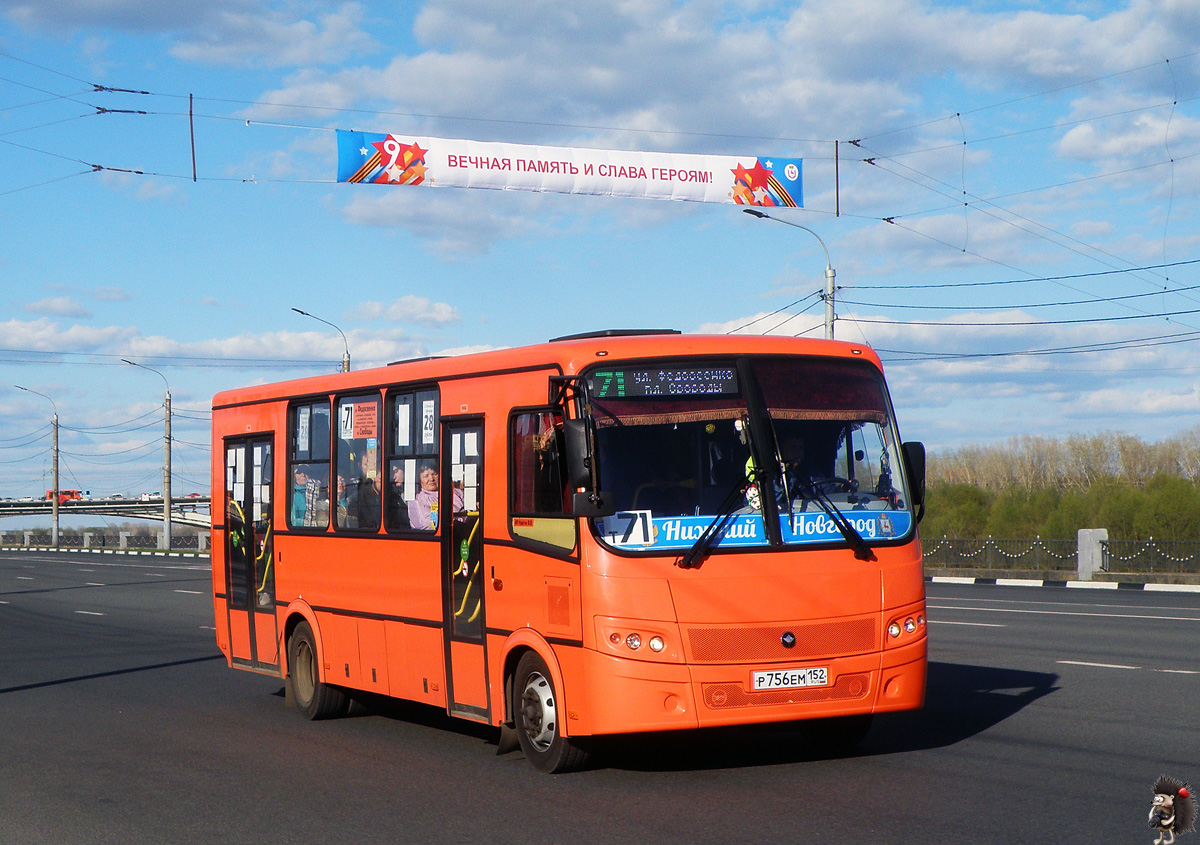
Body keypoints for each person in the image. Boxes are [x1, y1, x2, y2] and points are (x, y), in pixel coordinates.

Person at [408, 463, 462, 530]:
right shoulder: (417, 501)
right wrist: (458, 521)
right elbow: (425, 523)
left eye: (434, 474)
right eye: (426, 476)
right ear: (419, 480)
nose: (431, 479)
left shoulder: (456, 492)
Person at [353, 451, 381, 530]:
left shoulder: (378, 484)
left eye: (372, 464)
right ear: (360, 465)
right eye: (366, 464)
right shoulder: (354, 485)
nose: (369, 467)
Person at [387, 461, 411, 529]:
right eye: (392, 473)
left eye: (396, 471)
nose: (394, 477)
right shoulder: (394, 495)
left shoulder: (417, 491)